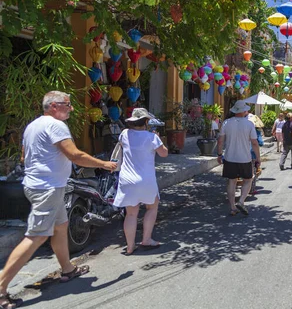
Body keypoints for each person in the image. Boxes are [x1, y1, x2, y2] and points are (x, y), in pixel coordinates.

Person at [0, 91, 118, 309]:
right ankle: (1, 288)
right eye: (67, 105)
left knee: (61, 227)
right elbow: (76, 156)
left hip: (38, 185)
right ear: (53, 106)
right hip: (48, 189)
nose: (71, 109)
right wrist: (104, 164)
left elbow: (25, 157)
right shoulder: (56, 126)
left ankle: (67, 269)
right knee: (36, 236)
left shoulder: (33, 126)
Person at [114, 108, 169, 256]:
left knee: (131, 214)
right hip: (146, 179)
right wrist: (158, 138)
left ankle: (130, 246)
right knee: (152, 207)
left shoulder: (124, 134)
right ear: (146, 121)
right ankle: (146, 239)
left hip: (127, 179)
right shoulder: (152, 137)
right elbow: (164, 153)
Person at [217, 101, 260, 216]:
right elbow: (255, 143)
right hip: (244, 158)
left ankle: (232, 207)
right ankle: (241, 201)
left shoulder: (226, 123)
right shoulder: (249, 124)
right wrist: (258, 158)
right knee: (248, 180)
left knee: (232, 181)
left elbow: (220, 141)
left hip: (229, 157)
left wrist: (219, 154)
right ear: (243, 111)